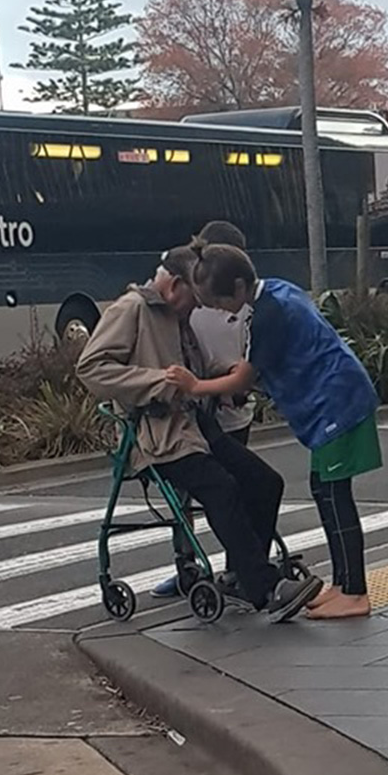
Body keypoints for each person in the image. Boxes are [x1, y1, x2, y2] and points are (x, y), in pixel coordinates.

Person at [76, 245, 322, 623]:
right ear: (175, 285)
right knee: (221, 488)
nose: (197, 309)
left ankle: (244, 573)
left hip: (196, 426)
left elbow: (199, 368)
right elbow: (91, 369)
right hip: (157, 435)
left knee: (265, 481)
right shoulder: (131, 310)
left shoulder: (176, 315)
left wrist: (235, 377)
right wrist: (158, 382)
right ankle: (264, 587)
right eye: (195, 300)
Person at [166, 242, 382, 620]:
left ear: (237, 287)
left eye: (217, 302)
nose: (217, 310)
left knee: (333, 496)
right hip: (334, 402)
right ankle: (344, 585)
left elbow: (245, 376)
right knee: (325, 491)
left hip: (338, 403)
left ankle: (356, 593)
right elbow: (257, 370)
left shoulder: (269, 314)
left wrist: (194, 385)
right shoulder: (276, 292)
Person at [152, 220, 255, 599]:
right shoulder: (187, 301)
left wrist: (235, 385)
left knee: (234, 488)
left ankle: (236, 567)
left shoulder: (243, 305)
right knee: (186, 493)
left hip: (232, 407)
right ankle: (187, 566)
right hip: (195, 411)